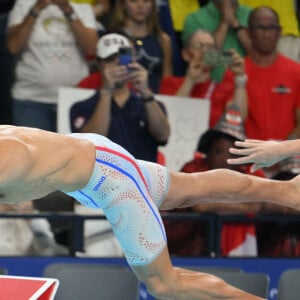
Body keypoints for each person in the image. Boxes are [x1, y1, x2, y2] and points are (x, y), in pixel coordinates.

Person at [3, 125, 300, 299]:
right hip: (95, 155)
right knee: (190, 188)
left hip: (110, 181)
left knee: (163, 284)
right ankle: (289, 191)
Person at [164, 104, 263, 257]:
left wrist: (216, 203)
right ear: (208, 152)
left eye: (232, 154)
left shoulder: (244, 173)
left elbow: (255, 207)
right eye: (218, 152)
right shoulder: (192, 169)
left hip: (216, 250)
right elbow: (200, 206)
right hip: (179, 248)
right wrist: (240, 204)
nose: (225, 159)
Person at [70, 32, 170, 163]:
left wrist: (145, 92)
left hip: (141, 181)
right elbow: (91, 145)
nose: (118, 64)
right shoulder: (82, 107)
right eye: (111, 59)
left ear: (133, 61)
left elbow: (163, 135)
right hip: (103, 180)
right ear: (100, 64)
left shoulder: (149, 103)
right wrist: (106, 92)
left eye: (122, 58)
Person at [7, 0, 98, 132]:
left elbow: (91, 49)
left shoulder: (82, 6)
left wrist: (68, 9)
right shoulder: (24, 4)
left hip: (74, 99)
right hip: (31, 99)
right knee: (35, 152)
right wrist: (36, 8)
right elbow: (13, 46)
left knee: (74, 152)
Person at [159, 29, 248, 127]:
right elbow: (169, 116)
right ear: (186, 55)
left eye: (210, 47)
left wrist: (240, 77)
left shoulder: (225, 89)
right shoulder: (170, 83)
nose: (204, 51)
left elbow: (238, 119)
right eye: (198, 46)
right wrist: (190, 80)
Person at [242, 6, 300, 141]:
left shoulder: (296, 72)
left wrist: (281, 151)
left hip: (287, 156)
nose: (266, 34)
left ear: (279, 32)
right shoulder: (236, 72)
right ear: (249, 32)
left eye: (271, 28)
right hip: (246, 156)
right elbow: (231, 121)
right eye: (260, 28)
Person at [109, 0, 172, 93]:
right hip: (123, 97)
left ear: (153, 5)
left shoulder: (163, 40)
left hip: (155, 98)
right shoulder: (113, 38)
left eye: (146, 1)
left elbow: (167, 78)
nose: (140, 6)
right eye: (134, 1)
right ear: (123, 5)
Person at [182, 0, 252, 82]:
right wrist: (224, 22)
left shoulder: (253, 15)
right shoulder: (194, 19)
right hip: (208, 89)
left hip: (248, 85)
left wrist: (236, 24)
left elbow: (261, 56)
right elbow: (202, 60)